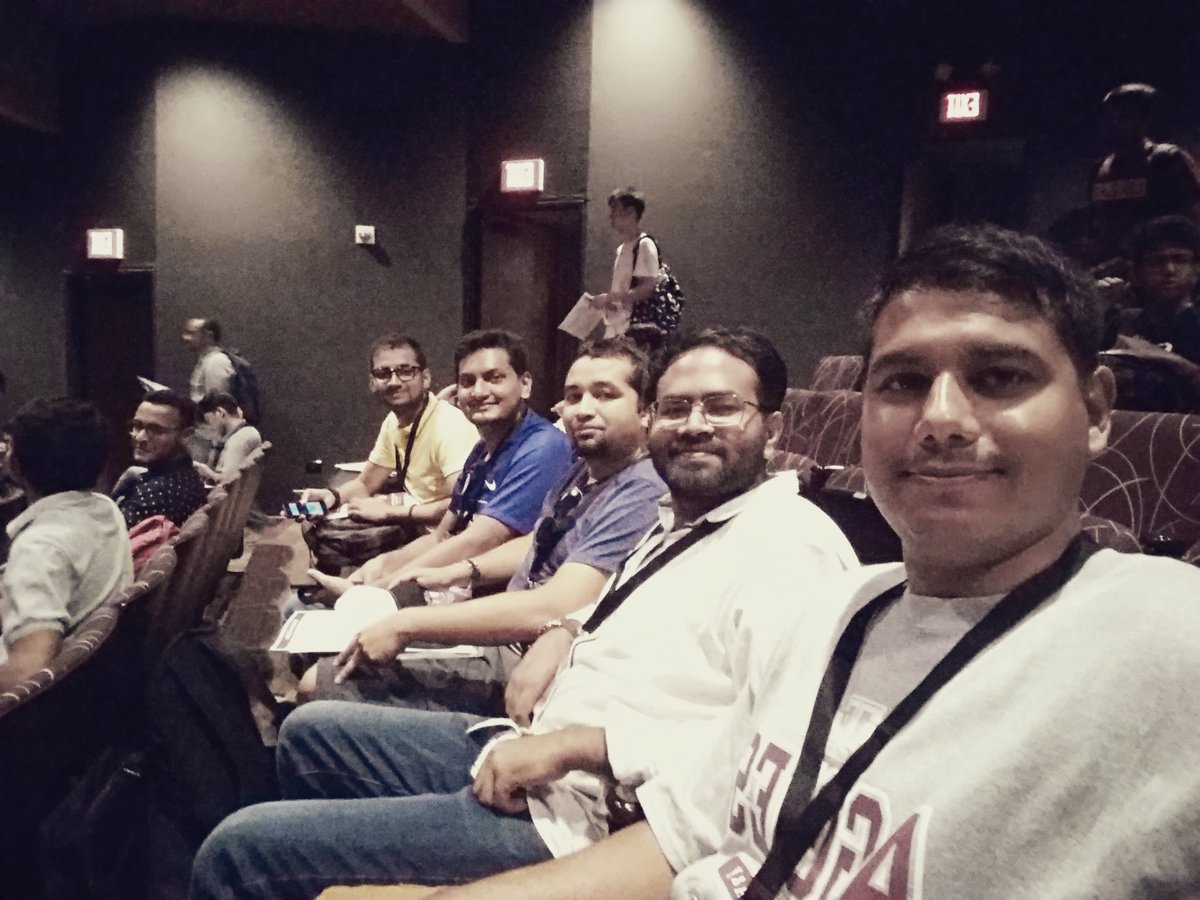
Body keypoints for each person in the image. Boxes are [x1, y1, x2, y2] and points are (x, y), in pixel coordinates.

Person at [437, 224, 1200, 900]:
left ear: (1096, 410)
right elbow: (683, 841)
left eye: (1000, 377)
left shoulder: (1167, 637)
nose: (941, 420)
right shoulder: (841, 611)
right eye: (903, 383)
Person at [189, 326, 858, 899]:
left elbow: (771, 760)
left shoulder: (790, 549)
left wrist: (575, 744)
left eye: (722, 408)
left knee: (239, 849)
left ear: (773, 428)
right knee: (311, 731)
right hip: (532, 741)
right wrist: (566, 633)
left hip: (583, 812)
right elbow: (582, 599)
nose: (694, 425)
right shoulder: (680, 518)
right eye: (677, 407)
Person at [297, 337, 668, 712]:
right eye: (574, 396)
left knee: (316, 682)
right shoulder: (580, 470)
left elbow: (549, 599)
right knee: (316, 628)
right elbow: (527, 539)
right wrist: (452, 572)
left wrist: (402, 614)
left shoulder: (633, 484)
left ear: (646, 411)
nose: (584, 410)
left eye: (605, 395)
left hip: (527, 653)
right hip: (500, 625)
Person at [308, 329, 573, 594]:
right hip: (453, 577)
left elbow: (479, 540)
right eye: (468, 381)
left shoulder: (542, 447)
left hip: (500, 594)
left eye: (494, 378)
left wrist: (379, 590)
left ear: (525, 384)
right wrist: (381, 566)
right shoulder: (481, 451)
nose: (479, 391)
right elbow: (442, 535)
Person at [299, 334, 480, 570]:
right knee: (314, 524)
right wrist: (331, 496)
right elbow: (365, 484)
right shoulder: (393, 422)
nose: (394, 381)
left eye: (405, 371)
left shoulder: (449, 426)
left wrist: (391, 513)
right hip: (414, 516)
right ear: (372, 382)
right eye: (383, 373)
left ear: (425, 378)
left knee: (334, 542)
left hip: (445, 534)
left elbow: (462, 506)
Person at [0, 398, 133, 690]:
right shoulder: (104, 507)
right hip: (100, 679)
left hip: (42, 706)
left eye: (7, 446)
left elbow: (29, 671)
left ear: (17, 465)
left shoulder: (39, 547)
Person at [1090, 83, 1200, 265]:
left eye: (1124, 117)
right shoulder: (1099, 169)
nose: (1115, 124)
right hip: (1114, 267)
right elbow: (1097, 223)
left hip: (1159, 266)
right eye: (1111, 118)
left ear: (1144, 120)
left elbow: (1195, 213)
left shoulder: (1167, 160)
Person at [111, 389, 208, 529]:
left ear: (186, 435)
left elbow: (107, 540)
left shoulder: (155, 495)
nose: (140, 437)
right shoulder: (187, 474)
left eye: (156, 430)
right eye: (137, 426)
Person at [589, 187, 661, 341]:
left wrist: (611, 298)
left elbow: (648, 288)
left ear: (632, 213)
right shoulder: (622, 248)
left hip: (633, 328)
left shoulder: (644, 244)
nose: (612, 218)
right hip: (617, 325)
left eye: (617, 212)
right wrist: (610, 301)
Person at [193, 391, 263, 484]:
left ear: (220, 413)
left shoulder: (239, 440)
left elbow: (229, 482)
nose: (211, 427)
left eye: (209, 420)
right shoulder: (247, 433)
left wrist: (207, 472)